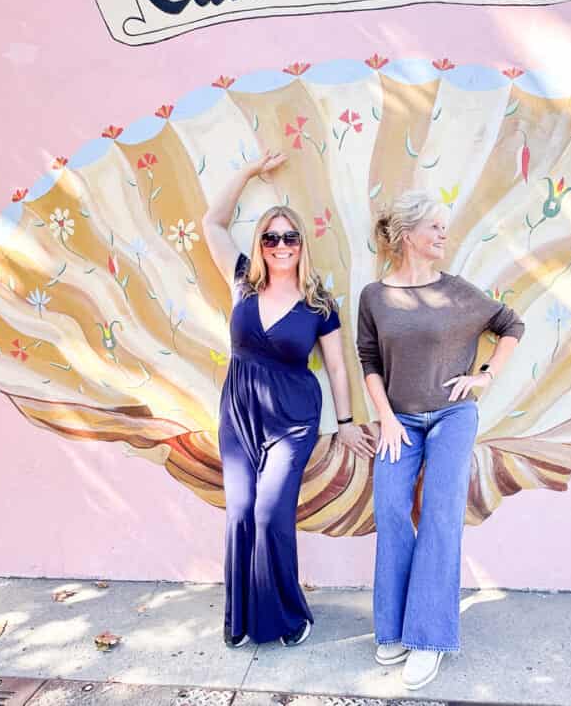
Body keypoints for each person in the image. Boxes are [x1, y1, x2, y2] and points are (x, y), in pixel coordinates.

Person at [203, 150, 374, 648]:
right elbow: (211, 221)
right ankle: (241, 619)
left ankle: (285, 616)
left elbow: (338, 366)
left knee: (269, 512)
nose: (280, 245)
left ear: (302, 244)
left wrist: (345, 421)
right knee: (239, 510)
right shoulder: (241, 282)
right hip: (239, 413)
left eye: (289, 237)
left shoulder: (319, 302)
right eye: (271, 237)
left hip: (294, 419)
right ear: (261, 244)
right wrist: (248, 171)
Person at [357, 189, 525, 690]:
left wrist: (486, 375)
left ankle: (429, 637)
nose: (444, 235)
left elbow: (510, 324)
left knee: (440, 514)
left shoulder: (458, 291)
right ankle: (394, 627)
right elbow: (369, 359)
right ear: (408, 234)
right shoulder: (374, 296)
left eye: (444, 227)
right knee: (389, 508)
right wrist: (385, 417)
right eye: (436, 227)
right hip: (400, 421)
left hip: (453, 417)